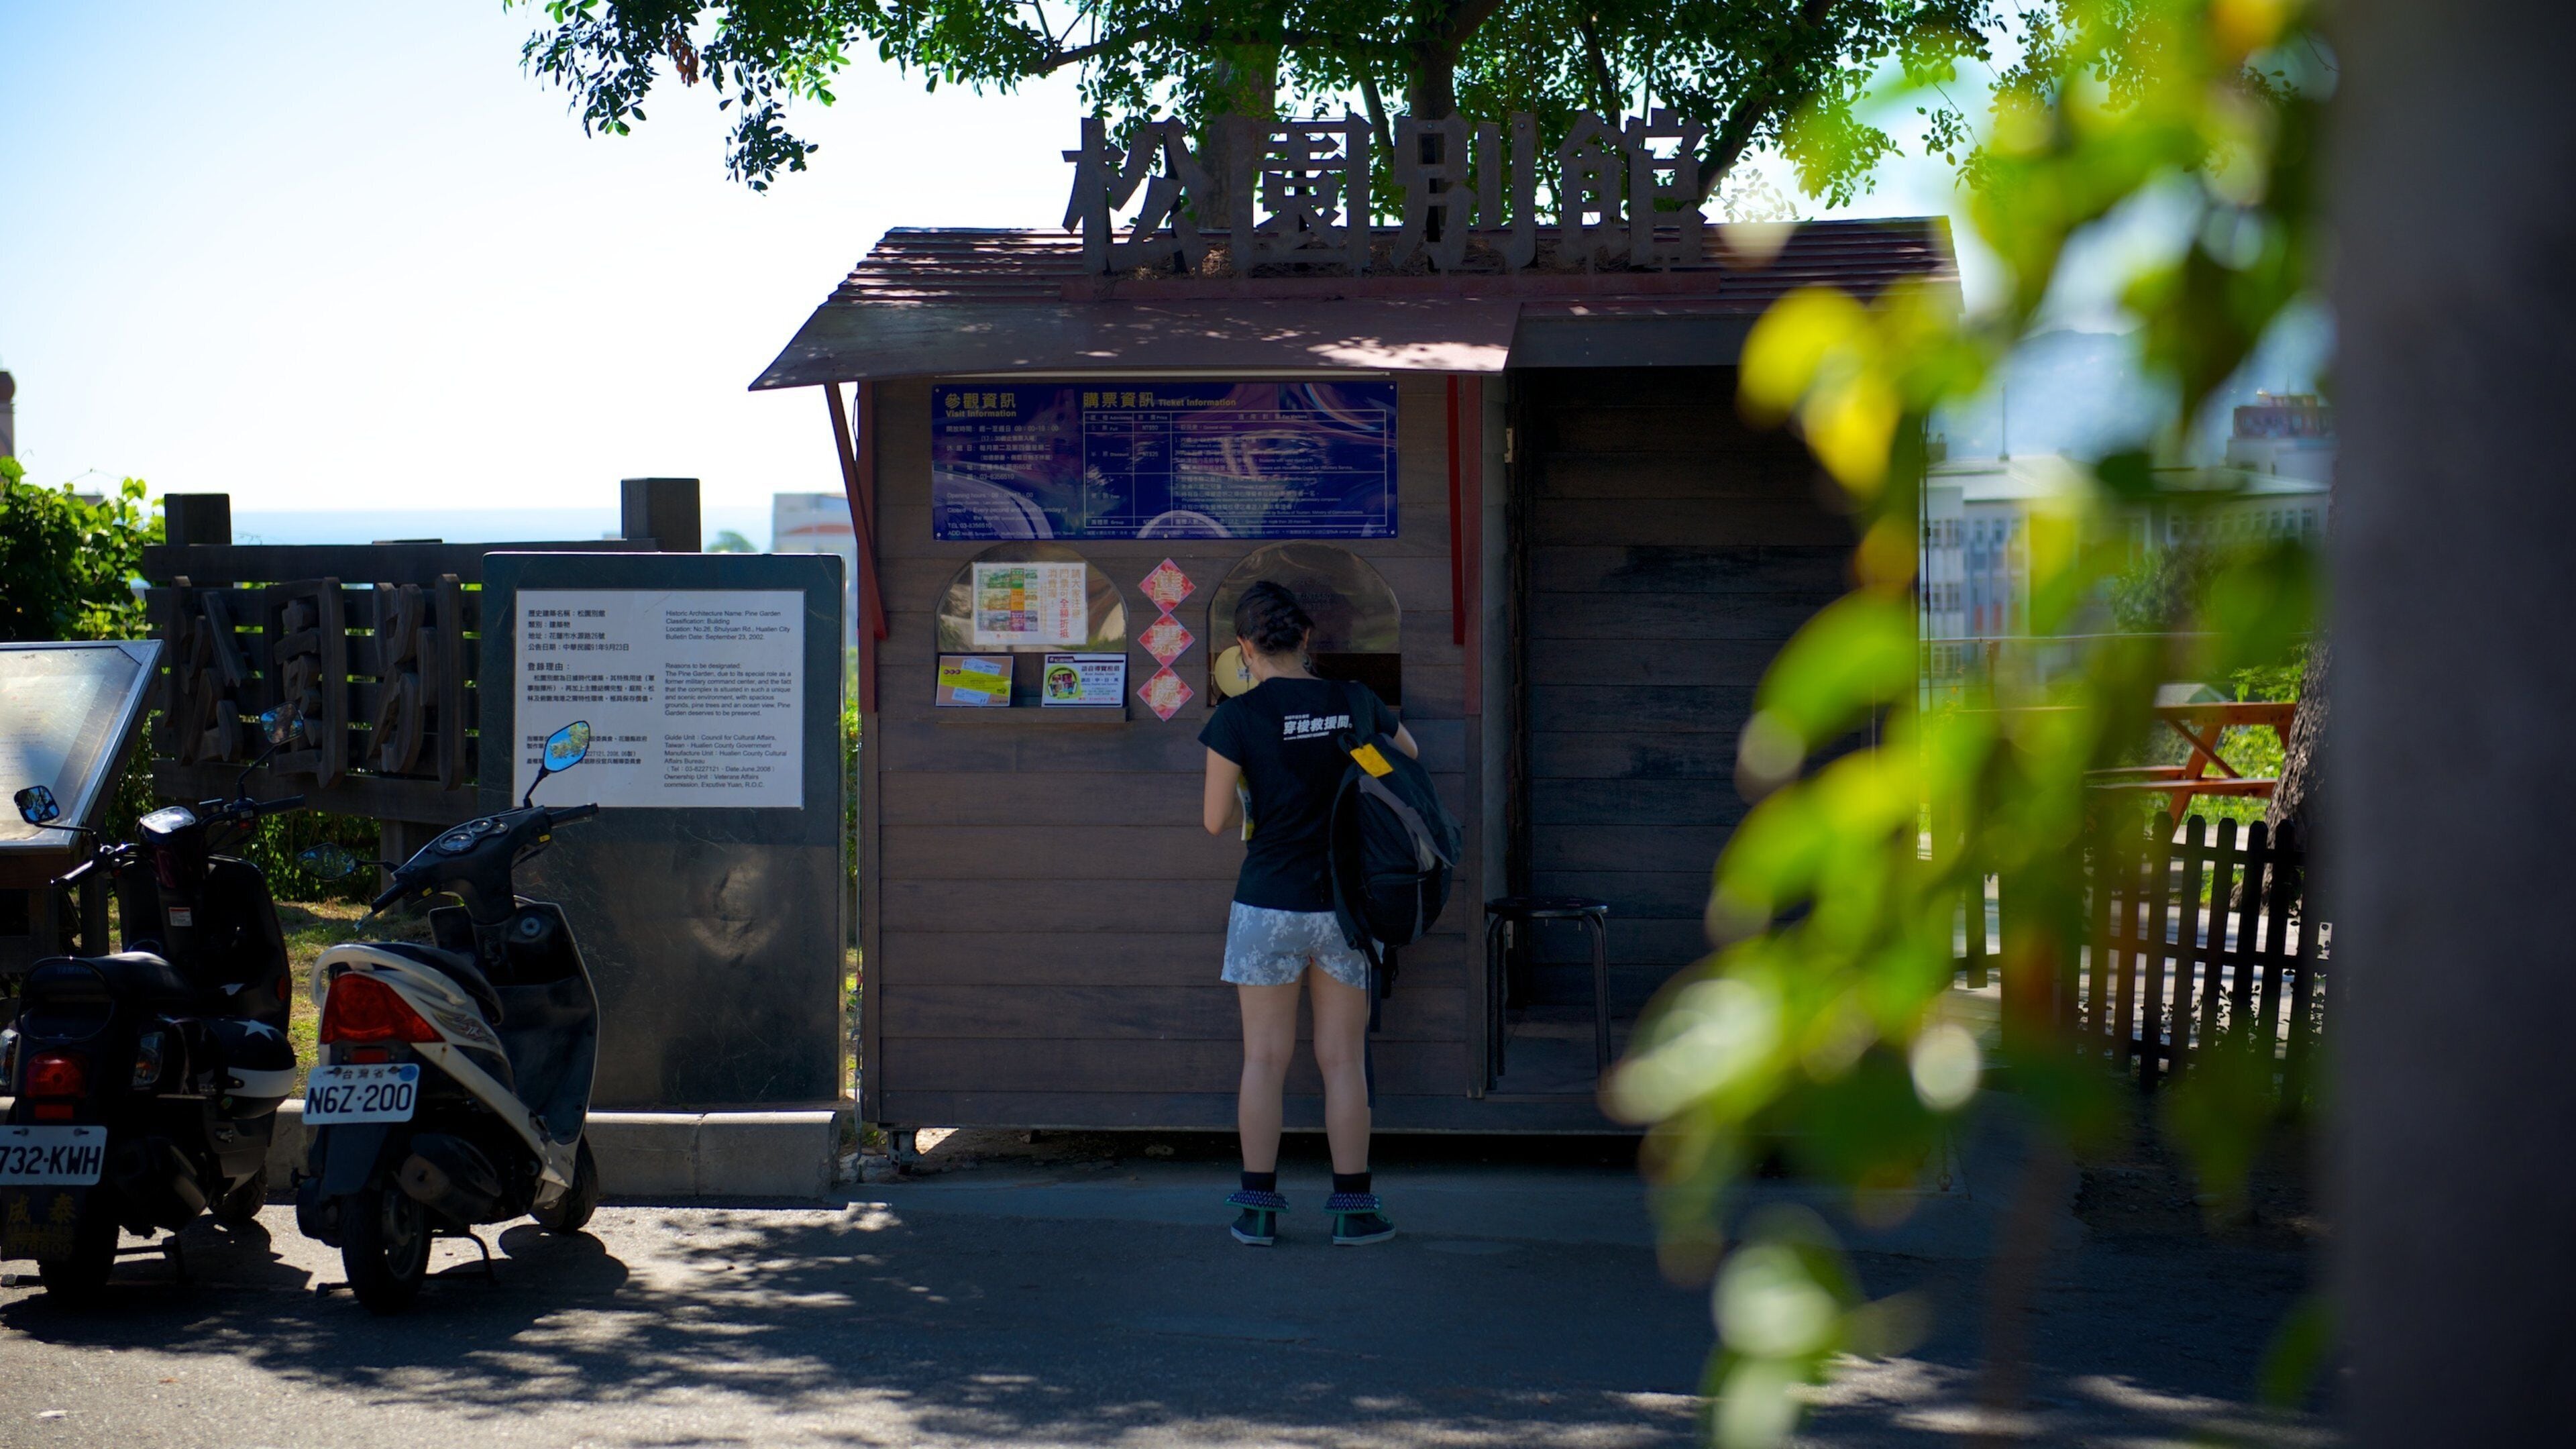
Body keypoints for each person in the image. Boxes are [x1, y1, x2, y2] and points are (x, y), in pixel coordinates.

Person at [1199, 580, 1417, 1248]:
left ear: (1244, 648)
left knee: (1263, 1060)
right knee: (1342, 1061)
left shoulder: (1236, 718)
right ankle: (1354, 1211)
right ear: (1306, 640)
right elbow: (1407, 757)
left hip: (1267, 902)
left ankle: (1257, 1210)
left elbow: (1213, 821)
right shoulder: (1352, 700)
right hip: (1344, 907)